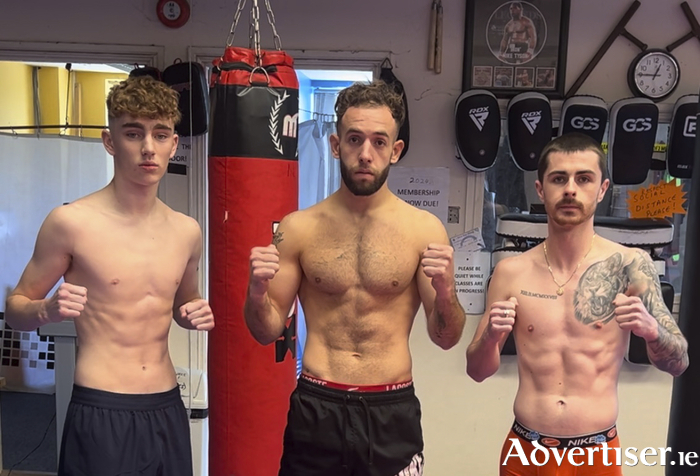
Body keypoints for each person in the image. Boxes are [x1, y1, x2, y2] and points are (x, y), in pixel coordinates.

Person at [244, 80, 466, 476]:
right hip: (317, 407)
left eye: (380, 142)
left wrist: (447, 291)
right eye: (354, 139)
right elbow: (266, 331)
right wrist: (257, 292)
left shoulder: (423, 230)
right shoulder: (298, 229)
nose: (366, 154)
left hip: (391, 410)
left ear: (395, 151)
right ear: (335, 145)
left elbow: (446, 338)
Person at [4, 75, 214, 476]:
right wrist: (46, 309)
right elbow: (16, 310)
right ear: (109, 140)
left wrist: (191, 312)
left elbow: (184, 301)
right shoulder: (71, 222)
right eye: (134, 133)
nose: (148, 148)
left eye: (160, 134)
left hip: (166, 405)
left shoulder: (187, 231)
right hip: (102, 406)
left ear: (174, 144)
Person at [466, 132, 688, 475]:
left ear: (602, 189)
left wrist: (652, 329)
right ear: (541, 190)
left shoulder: (631, 265)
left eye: (583, 178)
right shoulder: (511, 271)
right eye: (559, 178)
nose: (570, 189)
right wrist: (491, 338)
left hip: (595, 451)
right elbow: (477, 371)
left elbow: (679, 363)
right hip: (526, 449)